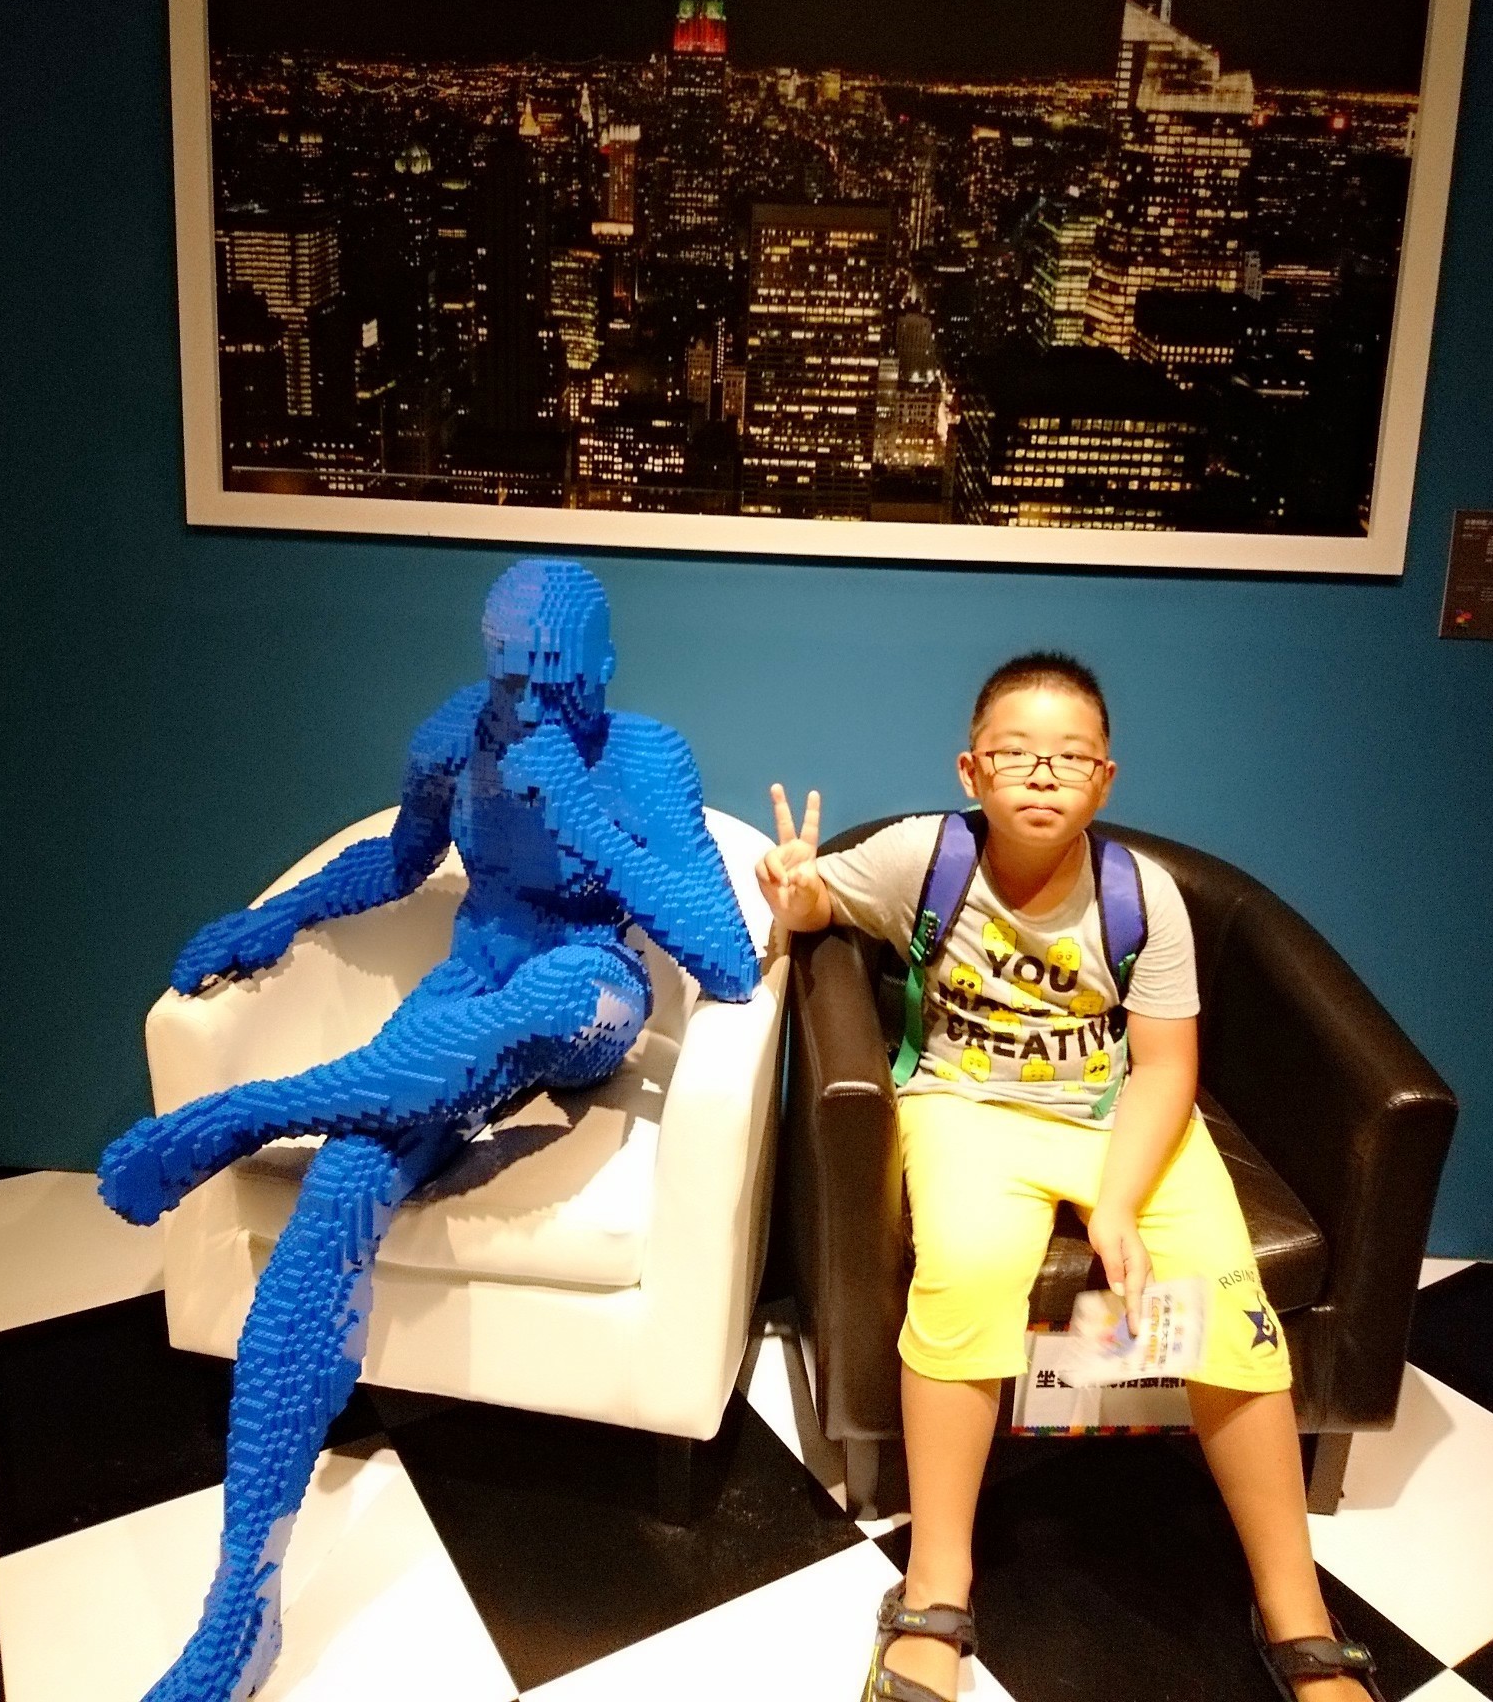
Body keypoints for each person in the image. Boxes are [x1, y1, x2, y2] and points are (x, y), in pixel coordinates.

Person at [99, 559, 759, 1702]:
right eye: (511, 677)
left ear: (603, 666)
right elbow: (398, 861)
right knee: (340, 1189)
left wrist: (583, 812)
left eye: (556, 679)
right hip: (463, 997)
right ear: (486, 661)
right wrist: (277, 913)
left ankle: (250, 1111)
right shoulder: (456, 735)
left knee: (552, 991)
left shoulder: (646, 754)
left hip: (590, 993)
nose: (531, 703)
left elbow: (729, 955)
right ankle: (240, 1606)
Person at [756, 652, 1383, 1702]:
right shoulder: (924, 858)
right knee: (967, 1271)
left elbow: (1167, 1067)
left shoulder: (1145, 895)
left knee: (1221, 1298)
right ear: (971, 769)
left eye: (1070, 756)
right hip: (967, 1109)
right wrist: (796, 887)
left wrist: (1121, 1206)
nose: (1042, 773)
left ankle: (1297, 1612)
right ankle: (938, 1583)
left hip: (1114, 1118)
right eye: (1014, 753)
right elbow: (821, 909)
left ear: (1105, 777)